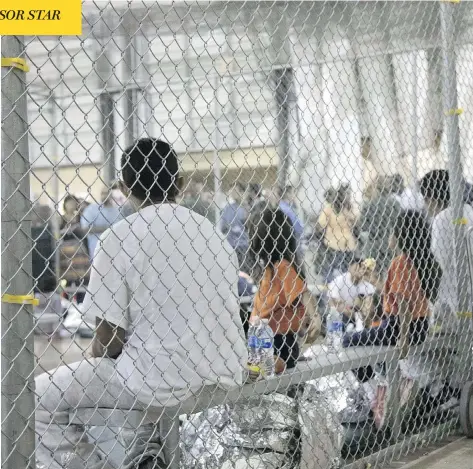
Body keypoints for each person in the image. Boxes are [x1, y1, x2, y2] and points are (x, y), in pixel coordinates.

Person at [35, 138, 248, 469]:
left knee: (38, 398)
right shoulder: (211, 233)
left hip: (158, 382)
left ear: (124, 186)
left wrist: (103, 354)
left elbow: (108, 342)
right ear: (178, 183)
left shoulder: (118, 237)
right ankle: (148, 448)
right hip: (224, 369)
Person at [344, 211, 441, 347]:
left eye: (391, 232)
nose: (389, 237)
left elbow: (403, 304)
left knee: (347, 340)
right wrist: (373, 281)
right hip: (421, 326)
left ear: (399, 237)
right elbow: (397, 296)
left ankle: (368, 369)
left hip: (398, 328)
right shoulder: (418, 259)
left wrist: (404, 339)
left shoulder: (399, 263)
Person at [250, 208, 308, 373]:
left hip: (277, 341)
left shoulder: (282, 267)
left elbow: (302, 293)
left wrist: (314, 317)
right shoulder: (270, 269)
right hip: (266, 338)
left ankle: (270, 365)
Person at [420, 169, 473, 326]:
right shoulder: (469, 210)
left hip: (453, 302)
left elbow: (439, 262)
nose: (425, 204)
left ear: (434, 199)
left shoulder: (441, 219)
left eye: (426, 198)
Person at [355, 177, 402, 275]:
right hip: (390, 245)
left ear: (376, 188)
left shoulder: (369, 205)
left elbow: (363, 227)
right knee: (391, 274)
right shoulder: (395, 204)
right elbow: (400, 225)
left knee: (372, 275)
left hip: (373, 246)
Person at [317, 186, 357, 283]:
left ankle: (336, 288)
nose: (348, 197)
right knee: (337, 270)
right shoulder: (334, 209)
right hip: (339, 244)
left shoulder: (344, 208)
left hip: (341, 244)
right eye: (346, 194)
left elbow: (321, 224)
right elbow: (320, 226)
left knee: (338, 270)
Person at [59, 195, 90, 303]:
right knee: (69, 279)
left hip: (79, 252)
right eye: (69, 203)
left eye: (73, 203)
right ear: (65, 205)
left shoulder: (80, 217)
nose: (71, 205)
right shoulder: (61, 218)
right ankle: (66, 302)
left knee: (81, 278)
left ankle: (81, 302)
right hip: (66, 252)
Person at [80, 186, 123, 258]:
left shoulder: (117, 210)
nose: (105, 196)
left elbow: (120, 228)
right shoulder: (91, 209)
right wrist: (109, 228)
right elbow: (85, 228)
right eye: (103, 193)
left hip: (115, 249)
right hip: (97, 249)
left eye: (107, 193)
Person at [220, 182, 250, 269]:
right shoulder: (227, 208)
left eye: (236, 190)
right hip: (231, 245)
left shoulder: (246, 207)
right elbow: (222, 227)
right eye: (231, 190)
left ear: (241, 193)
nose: (233, 192)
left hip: (244, 245)